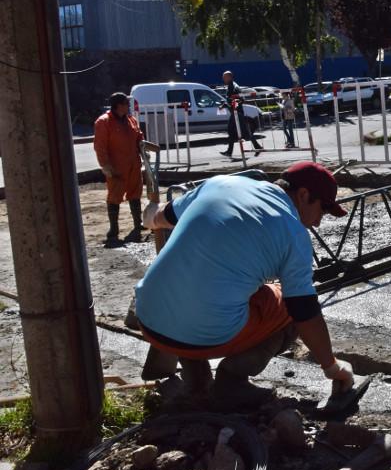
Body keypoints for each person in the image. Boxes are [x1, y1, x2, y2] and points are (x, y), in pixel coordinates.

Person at [135, 161, 353, 409]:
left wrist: (150, 216)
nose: (318, 223)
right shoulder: (294, 235)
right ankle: (231, 381)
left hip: (149, 319)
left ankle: (196, 377)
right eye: (322, 211)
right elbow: (305, 313)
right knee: (287, 305)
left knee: (212, 283)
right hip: (202, 338)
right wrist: (332, 367)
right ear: (303, 195)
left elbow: (162, 217)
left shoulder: (221, 184)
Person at [94, 92, 145, 245]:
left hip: (133, 164)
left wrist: (144, 150)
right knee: (115, 196)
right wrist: (105, 166)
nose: (128, 106)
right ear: (118, 105)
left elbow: (139, 137)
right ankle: (114, 229)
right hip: (116, 167)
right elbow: (100, 146)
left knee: (135, 194)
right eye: (125, 103)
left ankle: (138, 224)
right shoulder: (103, 122)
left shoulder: (131, 120)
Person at [220, 70, 263, 157]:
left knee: (240, 131)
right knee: (234, 131)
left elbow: (240, 99)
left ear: (230, 77)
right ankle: (230, 151)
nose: (223, 79)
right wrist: (226, 104)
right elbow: (231, 100)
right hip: (235, 112)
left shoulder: (234, 86)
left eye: (224, 77)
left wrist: (234, 106)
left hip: (237, 112)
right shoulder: (230, 86)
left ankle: (257, 147)